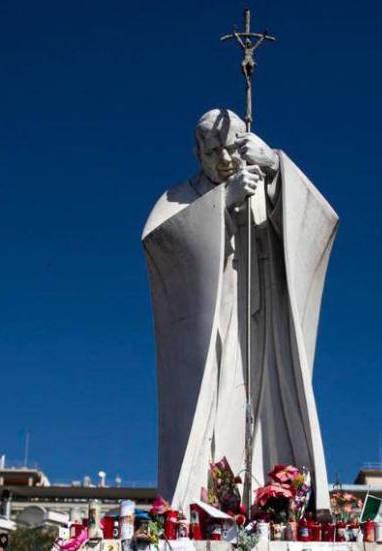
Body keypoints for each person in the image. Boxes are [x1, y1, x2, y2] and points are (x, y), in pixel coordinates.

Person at [142, 109, 337, 512]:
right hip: (217, 328)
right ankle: (210, 501)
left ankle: (279, 496)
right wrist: (221, 205)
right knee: (215, 411)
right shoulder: (179, 198)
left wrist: (276, 169)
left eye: (233, 149)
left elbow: (321, 222)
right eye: (213, 151)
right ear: (198, 153)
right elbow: (161, 244)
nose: (226, 160)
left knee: (274, 408)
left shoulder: (262, 177)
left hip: (268, 327)